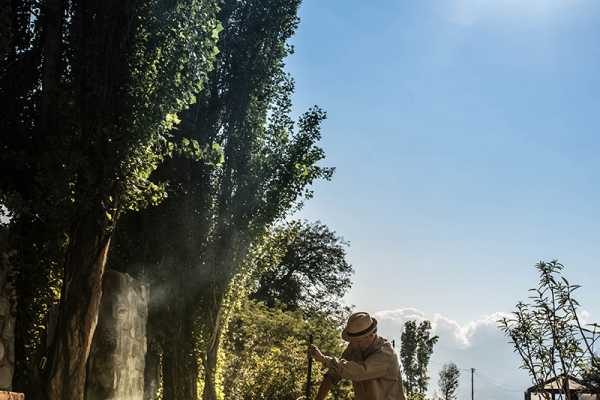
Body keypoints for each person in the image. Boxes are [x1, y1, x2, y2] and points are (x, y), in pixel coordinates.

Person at [309, 311, 406, 400]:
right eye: (352, 341)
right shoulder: (354, 348)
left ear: (371, 336)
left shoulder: (386, 354)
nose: (353, 344)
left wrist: (324, 359)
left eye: (358, 341)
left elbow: (360, 371)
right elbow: (334, 373)